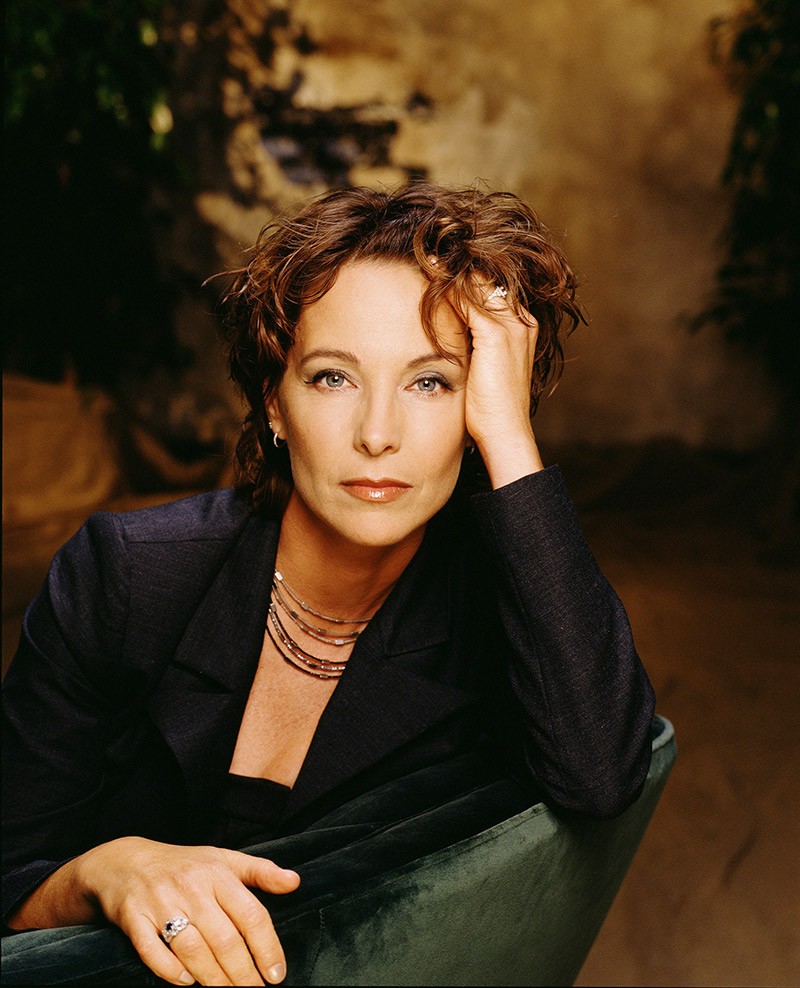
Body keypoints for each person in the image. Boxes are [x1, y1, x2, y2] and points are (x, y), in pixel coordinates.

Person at [1, 184, 655, 986]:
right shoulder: (128, 575)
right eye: (332, 378)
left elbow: (602, 777)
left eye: (431, 383)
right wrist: (114, 867)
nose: (377, 434)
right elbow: (9, 872)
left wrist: (511, 439)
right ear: (275, 405)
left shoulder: (498, 605)